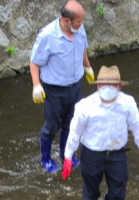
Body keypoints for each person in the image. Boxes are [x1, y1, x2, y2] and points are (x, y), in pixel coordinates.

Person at [62, 65, 139, 200]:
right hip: (91, 154)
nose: (108, 88)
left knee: (119, 190)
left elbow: (137, 127)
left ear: (119, 87)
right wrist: (68, 156)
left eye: (112, 85)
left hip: (117, 154)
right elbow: (74, 132)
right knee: (91, 190)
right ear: (97, 86)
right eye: (103, 84)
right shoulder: (85, 106)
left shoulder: (128, 103)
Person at [30, 0, 95, 173]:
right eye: (79, 21)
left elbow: (82, 50)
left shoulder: (79, 31)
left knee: (71, 123)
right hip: (54, 90)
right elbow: (34, 62)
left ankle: (65, 155)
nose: (82, 24)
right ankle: (45, 159)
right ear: (67, 20)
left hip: (75, 86)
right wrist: (37, 85)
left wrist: (87, 66)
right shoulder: (47, 36)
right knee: (51, 126)